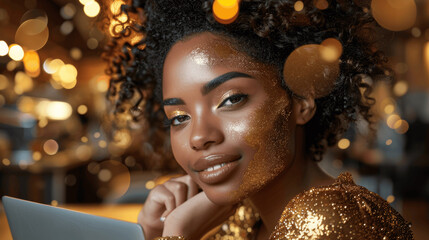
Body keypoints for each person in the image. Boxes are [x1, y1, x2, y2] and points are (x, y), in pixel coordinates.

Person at [103, 0, 413, 239]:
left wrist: (177, 233)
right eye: (179, 117)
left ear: (302, 99)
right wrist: (151, 233)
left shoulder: (337, 222)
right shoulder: (245, 220)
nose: (199, 137)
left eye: (230, 100)